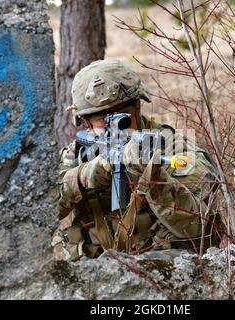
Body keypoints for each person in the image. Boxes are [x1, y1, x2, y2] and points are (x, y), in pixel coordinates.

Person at [52, 59, 223, 262]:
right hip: (92, 265)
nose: (113, 127)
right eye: (101, 119)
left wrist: (153, 175)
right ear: (85, 122)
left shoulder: (172, 145)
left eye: (121, 117)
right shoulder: (77, 154)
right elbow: (44, 208)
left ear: (138, 106)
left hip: (163, 263)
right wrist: (89, 174)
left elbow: (199, 225)